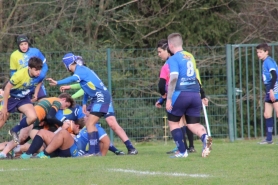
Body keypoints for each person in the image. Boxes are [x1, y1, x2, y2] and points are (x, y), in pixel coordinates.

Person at [46, 53, 138, 155]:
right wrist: (84, 103)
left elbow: (73, 79)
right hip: (102, 97)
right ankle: (131, 148)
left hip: (100, 98)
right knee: (112, 124)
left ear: (67, 64)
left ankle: (93, 152)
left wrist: (57, 82)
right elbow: (86, 88)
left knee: (89, 123)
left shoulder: (80, 70)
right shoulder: (83, 71)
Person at [155, 39, 209, 154]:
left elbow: (171, 80)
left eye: (160, 52)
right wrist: (202, 94)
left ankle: (182, 151)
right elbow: (195, 77)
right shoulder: (190, 56)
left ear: (169, 46)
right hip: (194, 94)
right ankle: (205, 138)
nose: (158, 54)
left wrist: (167, 98)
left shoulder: (171, 61)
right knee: (192, 124)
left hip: (180, 94)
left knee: (174, 123)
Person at [0, 93, 74, 158]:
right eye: (66, 105)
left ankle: (6, 152)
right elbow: (50, 117)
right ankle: (4, 153)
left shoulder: (48, 99)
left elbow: (43, 110)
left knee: (22, 140)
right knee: (21, 138)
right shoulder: (58, 102)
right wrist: (62, 124)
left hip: (34, 119)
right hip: (33, 118)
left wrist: (43, 121)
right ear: (63, 99)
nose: (64, 108)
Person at [0, 57, 44, 141]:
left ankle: (14, 130)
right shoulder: (19, 75)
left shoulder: (40, 75)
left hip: (23, 98)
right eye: (36, 70)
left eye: (39, 70)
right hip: (11, 97)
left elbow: (40, 81)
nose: (38, 72)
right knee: (2, 120)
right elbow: (7, 88)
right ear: (29, 68)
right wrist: (4, 107)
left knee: (33, 117)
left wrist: (36, 93)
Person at [10, 34, 48, 102]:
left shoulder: (36, 51)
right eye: (21, 44)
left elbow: (45, 65)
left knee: (44, 102)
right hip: (23, 85)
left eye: (25, 44)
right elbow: (13, 72)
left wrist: (41, 75)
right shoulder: (14, 55)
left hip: (36, 82)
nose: (24, 46)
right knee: (26, 106)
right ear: (18, 45)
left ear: (28, 43)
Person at [256, 43, 278, 144]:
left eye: (261, 52)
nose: (259, 54)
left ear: (266, 52)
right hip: (269, 88)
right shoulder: (264, 62)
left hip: (274, 88)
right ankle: (269, 139)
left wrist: (272, 90)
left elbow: (274, 75)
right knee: (267, 114)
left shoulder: (269, 62)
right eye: (257, 52)